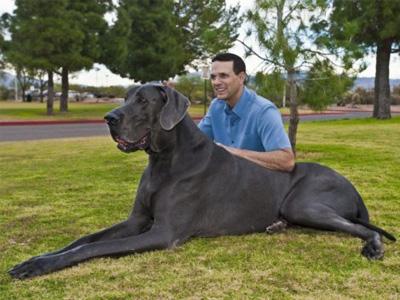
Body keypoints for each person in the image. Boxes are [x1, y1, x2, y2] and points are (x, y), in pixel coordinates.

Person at [198, 53, 295, 172]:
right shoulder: (215, 107)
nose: (216, 82)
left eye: (223, 76)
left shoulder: (264, 111)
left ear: (241, 78)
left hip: (259, 185)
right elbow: (196, 142)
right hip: (225, 183)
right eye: (213, 77)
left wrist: (232, 153)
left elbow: (286, 161)